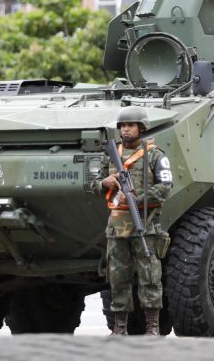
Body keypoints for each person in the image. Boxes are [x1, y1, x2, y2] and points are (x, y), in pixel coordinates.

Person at [91, 106, 173, 336]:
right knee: (118, 277)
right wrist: (103, 183)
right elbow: (92, 184)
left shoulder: (155, 155)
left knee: (150, 276)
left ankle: (152, 326)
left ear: (142, 128)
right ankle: (119, 327)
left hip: (144, 224)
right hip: (116, 227)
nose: (125, 130)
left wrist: (139, 200)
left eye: (130, 125)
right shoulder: (111, 154)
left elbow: (165, 187)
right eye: (122, 126)